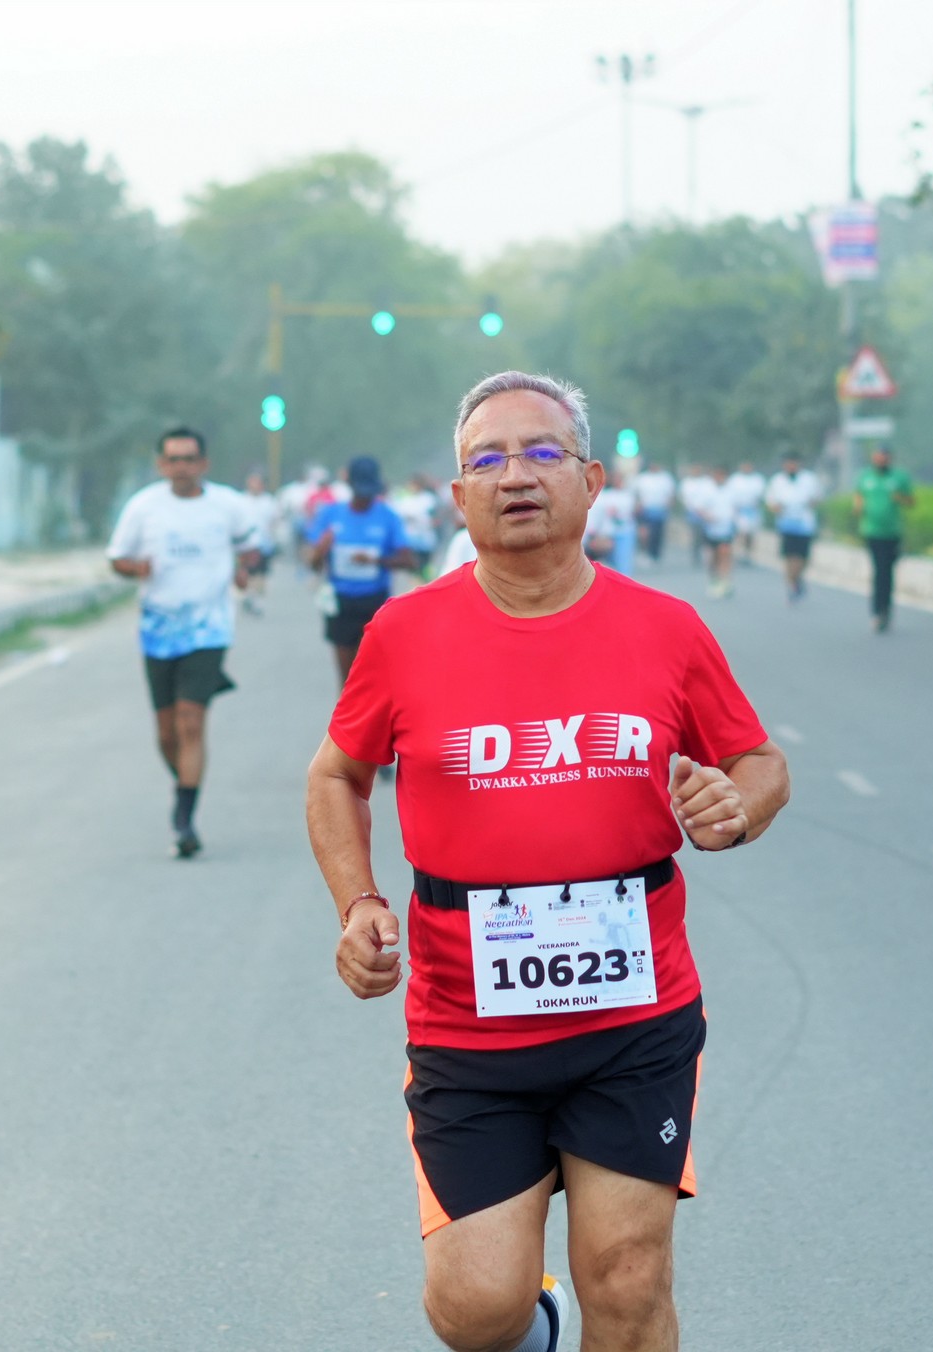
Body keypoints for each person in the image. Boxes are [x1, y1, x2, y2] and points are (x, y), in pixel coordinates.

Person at [305, 370, 790, 1352]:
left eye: (541, 452)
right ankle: (535, 1322)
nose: (515, 475)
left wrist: (737, 808)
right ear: (458, 497)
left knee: (630, 1278)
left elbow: (760, 761)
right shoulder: (404, 633)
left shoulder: (665, 627)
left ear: (591, 481)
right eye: (487, 459)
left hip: (634, 1016)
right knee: (476, 1308)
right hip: (468, 1025)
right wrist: (357, 904)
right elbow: (336, 774)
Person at [105, 427, 262, 858]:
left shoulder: (227, 505)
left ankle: (184, 819)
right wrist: (135, 568)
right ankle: (186, 784)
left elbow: (252, 547)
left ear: (203, 464)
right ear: (161, 465)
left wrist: (245, 568)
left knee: (191, 721)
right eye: (173, 459)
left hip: (210, 628)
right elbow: (116, 558)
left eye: (189, 459)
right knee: (166, 731)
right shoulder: (144, 507)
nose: (181, 467)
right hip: (158, 630)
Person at [307, 455, 419, 686]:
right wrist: (320, 550)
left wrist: (376, 560)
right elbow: (313, 564)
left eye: (369, 492)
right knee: (347, 679)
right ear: (349, 485)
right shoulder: (330, 514)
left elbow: (409, 561)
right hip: (340, 602)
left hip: (375, 602)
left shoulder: (388, 516)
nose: (365, 498)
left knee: (373, 677)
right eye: (361, 492)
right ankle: (346, 709)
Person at [853, 446, 914, 633]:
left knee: (888, 572)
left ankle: (886, 609)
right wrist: (858, 508)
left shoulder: (899, 477)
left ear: (890, 459)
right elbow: (858, 496)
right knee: (879, 571)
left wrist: (899, 498)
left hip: (893, 532)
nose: (881, 461)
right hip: (872, 531)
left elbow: (911, 501)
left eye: (884, 457)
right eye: (878, 457)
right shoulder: (865, 477)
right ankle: (878, 611)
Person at [765, 453, 823, 602]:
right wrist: (777, 508)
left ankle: (797, 579)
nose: (791, 466)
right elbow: (770, 501)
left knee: (802, 557)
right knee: (789, 556)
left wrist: (810, 504)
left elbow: (818, 498)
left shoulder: (809, 479)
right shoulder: (777, 481)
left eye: (794, 463)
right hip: (786, 524)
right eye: (788, 463)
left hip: (805, 524)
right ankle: (791, 585)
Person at [238, 471, 281, 614]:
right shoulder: (241, 500)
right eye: (252, 482)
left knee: (261, 575)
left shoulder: (269, 502)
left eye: (258, 482)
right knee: (248, 573)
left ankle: (256, 599)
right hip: (246, 545)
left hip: (264, 544)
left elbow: (275, 521)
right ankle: (248, 596)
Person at [698, 465, 739, 597]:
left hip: (726, 529)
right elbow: (699, 508)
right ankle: (714, 578)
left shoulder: (732, 491)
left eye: (722, 475)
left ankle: (725, 581)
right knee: (713, 556)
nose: (719, 478)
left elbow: (737, 508)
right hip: (711, 529)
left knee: (725, 553)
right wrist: (707, 516)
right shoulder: (707, 490)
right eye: (717, 475)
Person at [393, 473, 445, 576]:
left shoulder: (428, 499)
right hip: (412, 539)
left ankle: (429, 580)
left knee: (426, 566)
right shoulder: (406, 500)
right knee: (414, 568)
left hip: (426, 539)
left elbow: (435, 517)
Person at [632, 460, 676, 566]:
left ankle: (655, 554)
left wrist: (668, 506)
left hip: (660, 510)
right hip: (646, 510)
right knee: (646, 533)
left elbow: (671, 494)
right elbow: (636, 493)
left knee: (657, 533)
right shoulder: (643, 478)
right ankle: (646, 552)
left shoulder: (665, 478)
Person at [724, 460, 767, 560]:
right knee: (741, 532)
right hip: (739, 510)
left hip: (752, 510)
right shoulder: (735, 479)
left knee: (750, 534)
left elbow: (761, 495)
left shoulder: (757, 479)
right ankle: (738, 551)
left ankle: (747, 553)